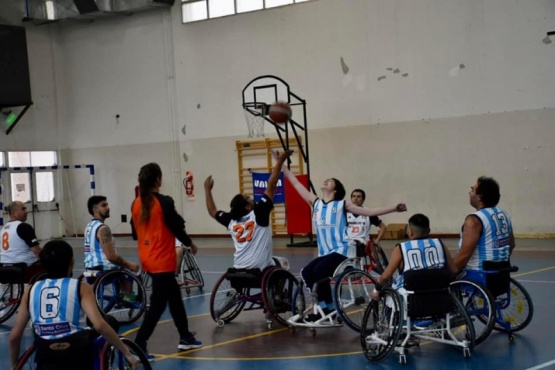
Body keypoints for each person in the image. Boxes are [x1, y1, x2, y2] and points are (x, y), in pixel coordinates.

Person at [277, 154, 407, 319]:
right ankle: (328, 306)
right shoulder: (315, 203)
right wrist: (281, 163)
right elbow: (295, 183)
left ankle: (327, 307)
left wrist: (393, 208)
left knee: (318, 272)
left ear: (335, 189)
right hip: (326, 252)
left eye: (330, 180)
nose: (326, 181)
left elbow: (369, 212)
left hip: (343, 250)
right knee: (306, 272)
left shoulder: (342, 205)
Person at [9, 240, 138, 370]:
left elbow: (14, 336)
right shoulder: (80, 287)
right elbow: (99, 326)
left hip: (45, 353)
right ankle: (105, 362)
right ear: (71, 263)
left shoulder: (31, 290)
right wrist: (126, 351)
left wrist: (14, 364)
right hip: (77, 351)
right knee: (109, 321)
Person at [131, 162, 201, 359]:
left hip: (148, 258)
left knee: (175, 299)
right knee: (158, 305)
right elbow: (177, 227)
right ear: (158, 180)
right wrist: (190, 243)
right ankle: (139, 344)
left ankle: (185, 336)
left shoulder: (136, 203)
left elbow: (135, 233)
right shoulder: (163, 202)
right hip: (161, 260)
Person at [204, 150, 293, 270]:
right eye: (248, 199)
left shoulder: (230, 219)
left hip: (238, 265)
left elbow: (212, 211)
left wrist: (207, 190)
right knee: (283, 263)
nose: (251, 198)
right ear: (247, 207)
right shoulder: (259, 214)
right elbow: (271, 185)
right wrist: (280, 161)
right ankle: (278, 289)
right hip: (259, 267)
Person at [371, 213, 457, 300]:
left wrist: (377, 289)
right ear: (429, 230)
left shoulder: (401, 248)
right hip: (439, 295)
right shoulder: (440, 244)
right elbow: (454, 270)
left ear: (411, 231)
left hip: (411, 297)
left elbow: (386, 276)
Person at [453, 176, 515, 276]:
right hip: (501, 274)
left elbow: (464, 256)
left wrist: (446, 272)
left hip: (477, 274)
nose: (469, 193)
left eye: (472, 190)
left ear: (480, 196)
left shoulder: (474, 220)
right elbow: (511, 245)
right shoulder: (504, 215)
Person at [84, 196, 139, 276]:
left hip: (89, 269)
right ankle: (126, 289)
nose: (108, 208)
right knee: (131, 271)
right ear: (95, 210)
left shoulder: (88, 226)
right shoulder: (103, 229)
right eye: (104, 205)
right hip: (103, 270)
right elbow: (111, 257)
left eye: (107, 205)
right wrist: (129, 265)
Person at [0, 201, 45, 282]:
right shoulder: (23, 227)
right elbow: (37, 251)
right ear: (14, 213)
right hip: (23, 268)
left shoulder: (3, 229)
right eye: (23, 209)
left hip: (3, 268)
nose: (26, 211)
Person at [346, 188, 389, 258]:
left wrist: (377, 240)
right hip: (347, 241)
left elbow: (383, 227)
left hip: (363, 242)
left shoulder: (369, 213)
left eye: (358, 196)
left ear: (363, 200)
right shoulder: (345, 213)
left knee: (357, 248)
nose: (355, 198)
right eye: (353, 196)